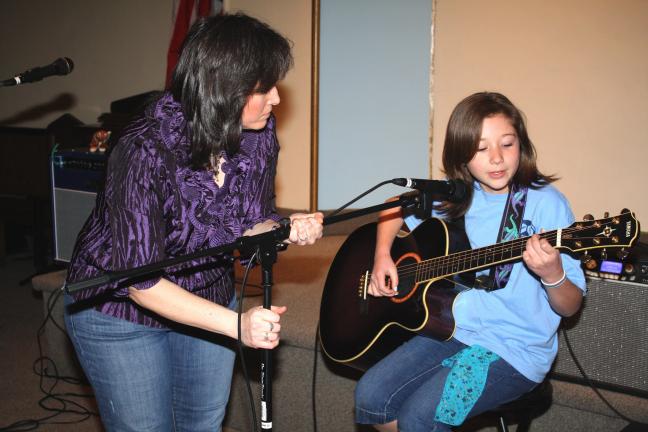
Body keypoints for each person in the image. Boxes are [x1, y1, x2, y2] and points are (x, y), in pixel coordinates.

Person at [63, 13, 323, 432]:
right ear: (224, 89)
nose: (276, 98)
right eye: (263, 88)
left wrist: (285, 228)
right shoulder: (143, 149)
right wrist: (239, 325)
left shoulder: (258, 134)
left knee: (202, 423)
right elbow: (141, 283)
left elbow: (249, 220)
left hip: (208, 293)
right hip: (118, 311)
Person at [354, 92, 586, 431]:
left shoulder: (545, 204)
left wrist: (552, 274)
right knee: (371, 396)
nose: (496, 159)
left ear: (521, 144)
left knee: (419, 416)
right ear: (462, 155)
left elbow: (570, 307)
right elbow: (393, 206)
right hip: (452, 328)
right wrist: (382, 256)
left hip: (515, 348)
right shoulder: (457, 197)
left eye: (507, 144)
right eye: (481, 148)